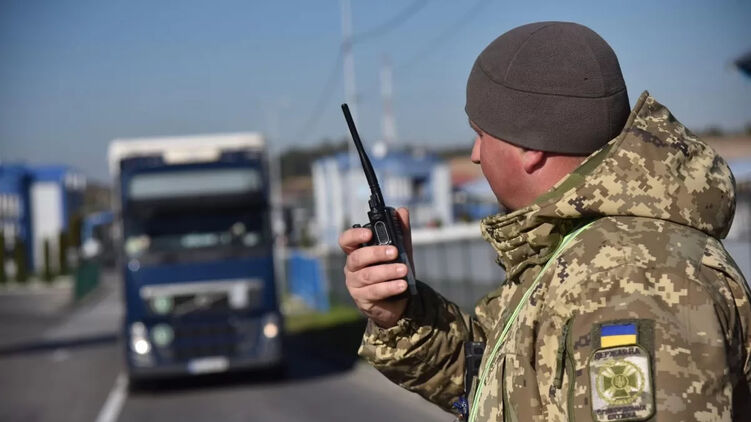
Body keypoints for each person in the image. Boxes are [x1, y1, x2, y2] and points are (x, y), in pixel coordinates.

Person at [338, 21, 751, 421]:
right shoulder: (582, 252)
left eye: (480, 134)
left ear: (529, 146)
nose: (475, 154)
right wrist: (400, 313)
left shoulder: (628, 279)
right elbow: (499, 384)